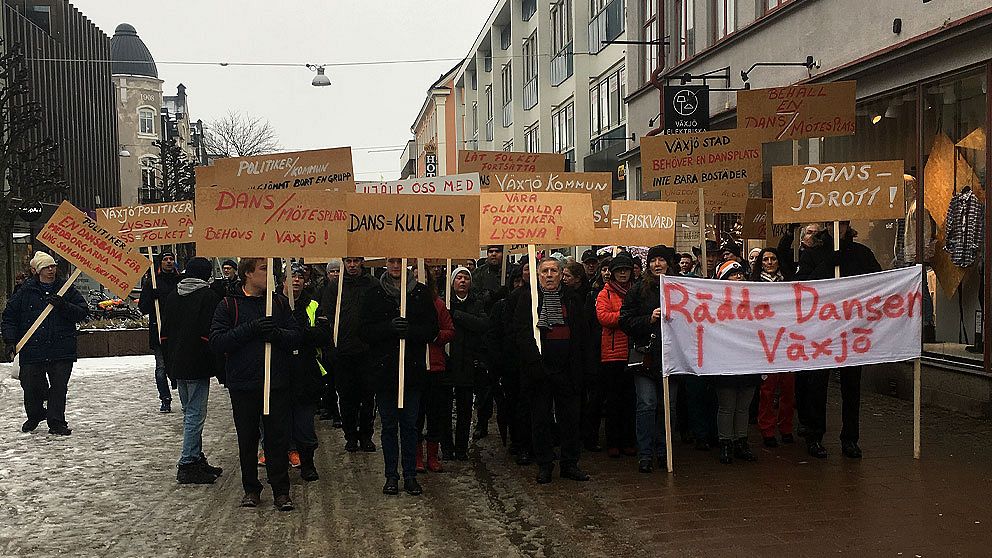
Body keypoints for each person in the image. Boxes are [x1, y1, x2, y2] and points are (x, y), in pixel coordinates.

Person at [209, 258, 302, 510]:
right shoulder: (228, 304)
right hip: (244, 384)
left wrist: (277, 335)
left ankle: (281, 491)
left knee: (277, 439)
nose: (269, 274)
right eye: (264, 269)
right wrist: (251, 329)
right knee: (247, 439)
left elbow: (296, 337)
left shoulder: (279, 303)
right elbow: (218, 342)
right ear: (248, 273)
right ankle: (251, 489)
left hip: (276, 383)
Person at [795, 221, 881, 459]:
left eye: (842, 224)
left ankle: (850, 438)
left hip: (853, 331)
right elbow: (804, 286)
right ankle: (814, 436)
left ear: (848, 226)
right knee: (817, 385)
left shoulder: (862, 253)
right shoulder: (812, 255)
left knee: (852, 387)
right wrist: (829, 262)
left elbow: (880, 282)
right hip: (821, 331)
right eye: (834, 223)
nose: (838, 228)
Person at [360, 258, 439, 496]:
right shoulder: (374, 293)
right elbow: (364, 331)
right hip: (385, 372)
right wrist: (388, 328)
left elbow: (432, 329)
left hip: (411, 371)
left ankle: (410, 475)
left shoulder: (420, 293)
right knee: (388, 426)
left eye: (399, 262)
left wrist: (411, 331)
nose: (396, 266)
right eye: (392, 261)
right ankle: (391, 476)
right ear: (387, 263)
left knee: (410, 425)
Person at [512, 257, 592, 484]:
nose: (549, 275)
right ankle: (545, 464)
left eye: (554, 271)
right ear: (538, 276)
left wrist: (581, 366)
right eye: (544, 271)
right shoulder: (529, 299)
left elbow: (582, 333)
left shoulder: (572, 299)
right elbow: (521, 333)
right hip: (540, 370)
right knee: (541, 419)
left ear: (561, 274)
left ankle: (569, 463)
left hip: (567, 369)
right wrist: (534, 363)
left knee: (570, 419)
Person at [2, 252, 88, 435]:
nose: (51, 270)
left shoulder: (66, 289)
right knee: (31, 385)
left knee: (58, 387)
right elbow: (9, 317)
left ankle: (56, 422)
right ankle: (35, 414)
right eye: (47, 267)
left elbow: (82, 312)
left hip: (61, 347)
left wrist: (63, 305)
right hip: (33, 348)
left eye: (53, 266)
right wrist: (10, 340)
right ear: (37, 271)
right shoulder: (25, 291)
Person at [160, 257, 224, 484]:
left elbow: (164, 332)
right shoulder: (208, 297)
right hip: (197, 362)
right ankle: (187, 462)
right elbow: (210, 332)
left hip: (177, 362)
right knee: (195, 414)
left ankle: (195, 457)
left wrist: (168, 363)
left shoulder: (173, 295)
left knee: (189, 412)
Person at [619, 245, 677, 473]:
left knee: (668, 407)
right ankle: (645, 454)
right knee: (647, 404)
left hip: (672, 358)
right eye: (654, 260)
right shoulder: (637, 290)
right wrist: (648, 319)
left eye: (662, 260)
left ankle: (665, 452)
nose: (657, 264)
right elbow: (625, 320)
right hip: (646, 359)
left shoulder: (680, 288)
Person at [321, 257, 378, 452]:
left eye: (355, 261)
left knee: (368, 397)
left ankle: (366, 435)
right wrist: (331, 348)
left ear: (362, 262)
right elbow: (326, 317)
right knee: (346, 398)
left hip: (367, 352)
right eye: (348, 261)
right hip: (343, 352)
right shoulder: (335, 287)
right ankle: (351, 435)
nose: (352, 265)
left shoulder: (372, 284)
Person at [712, 260, 760, 464]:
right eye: (733, 275)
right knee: (727, 405)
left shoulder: (754, 300)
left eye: (740, 274)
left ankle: (741, 441)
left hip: (748, 360)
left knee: (743, 406)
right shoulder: (715, 303)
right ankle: (725, 443)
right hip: (726, 361)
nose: (738, 278)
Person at [749, 248, 795, 448]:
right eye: (765, 259)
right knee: (767, 390)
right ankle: (767, 429)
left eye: (773, 258)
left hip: (788, 342)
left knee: (788, 388)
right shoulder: (754, 285)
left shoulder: (789, 282)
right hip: (764, 343)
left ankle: (786, 428)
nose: (769, 262)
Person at [443, 267, 489, 461]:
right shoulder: (444, 303)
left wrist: (458, 316)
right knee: (444, 410)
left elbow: (482, 325)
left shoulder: (476, 303)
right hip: (447, 363)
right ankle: (446, 448)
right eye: (458, 278)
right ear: (452, 282)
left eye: (466, 278)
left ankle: (461, 448)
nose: (462, 281)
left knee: (464, 410)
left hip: (468, 362)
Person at [289, 263, 330, 482]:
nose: (295, 280)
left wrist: (302, 332)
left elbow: (325, 334)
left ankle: (308, 463)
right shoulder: (272, 303)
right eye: (291, 276)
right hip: (280, 373)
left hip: (306, 372)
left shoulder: (313, 304)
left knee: (305, 423)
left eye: (299, 277)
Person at [596, 253, 637, 459]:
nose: (623, 273)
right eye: (619, 269)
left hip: (632, 352)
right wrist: (626, 317)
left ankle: (628, 440)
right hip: (612, 354)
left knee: (630, 401)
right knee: (613, 402)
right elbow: (603, 317)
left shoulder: (636, 291)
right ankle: (613, 442)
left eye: (626, 269)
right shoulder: (605, 293)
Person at [420, 265, 454, 472]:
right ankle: (415, 455)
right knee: (415, 415)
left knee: (434, 413)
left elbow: (449, 331)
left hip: (435, 366)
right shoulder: (404, 304)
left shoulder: (438, 304)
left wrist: (436, 336)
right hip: (414, 366)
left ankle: (432, 455)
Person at [139, 251, 181, 413]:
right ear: (160, 263)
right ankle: (165, 398)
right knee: (161, 368)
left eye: (171, 259)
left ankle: (176, 381)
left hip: (177, 330)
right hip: (159, 330)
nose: (169, 262)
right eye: (166, 259)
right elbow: (143, 308)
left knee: (177, 364)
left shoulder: (180, 281)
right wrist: (151, 297)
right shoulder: (152, 283)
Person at [317, 261, 342, 426]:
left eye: (338, 271)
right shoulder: (321, 291)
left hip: (343, 341)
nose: (335, 274)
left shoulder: (346, 289)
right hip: (327, 342)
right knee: (330, 379)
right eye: (332, 271)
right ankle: (331, 408)